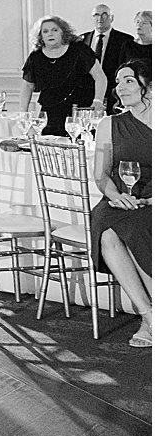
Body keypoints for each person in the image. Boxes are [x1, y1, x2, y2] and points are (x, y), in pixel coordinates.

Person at [89, 61, 152, 347]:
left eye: (128, 80)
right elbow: (101, 174)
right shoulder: (109, 124)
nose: (120, 87)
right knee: (108, 233)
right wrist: (115, 195)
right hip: (118, 199)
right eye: (118, 82)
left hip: (150, 200)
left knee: (139, 225)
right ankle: (149, 315)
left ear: (146, 83)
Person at [20, 15, 106, 137]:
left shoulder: (79, 50)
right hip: (51, 112)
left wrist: (98, 101)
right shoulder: (36, 57)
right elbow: (27, 86)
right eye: (45, 31)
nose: (50, 34)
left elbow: (100, 76)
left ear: (63, 33)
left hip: (80, 110)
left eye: (55, 30)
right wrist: (24, 115)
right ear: (41, 37)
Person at [82, 5, 135, 113]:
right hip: (85, 95)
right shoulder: (81, 40)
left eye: (105, 15)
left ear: (112, 18)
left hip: (114, 96)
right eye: (96, 15)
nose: (100, 18)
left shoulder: (125, 40)